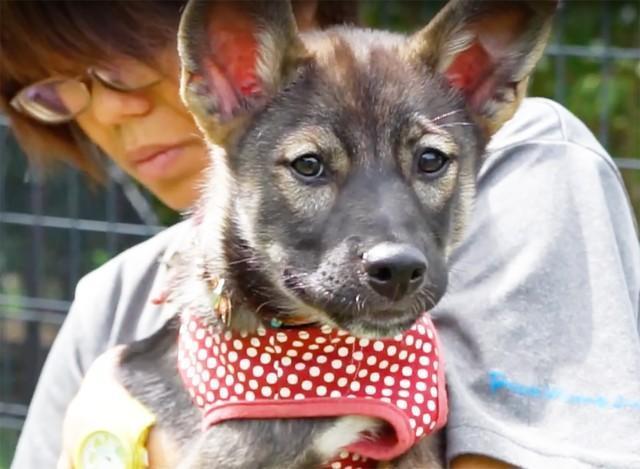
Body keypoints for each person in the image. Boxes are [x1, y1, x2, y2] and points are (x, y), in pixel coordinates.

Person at [2, 1, 639, 468]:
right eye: (56, 89)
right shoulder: (109, 300)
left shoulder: (528, 167)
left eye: (116, 68)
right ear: (220, 80)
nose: (108, 109)